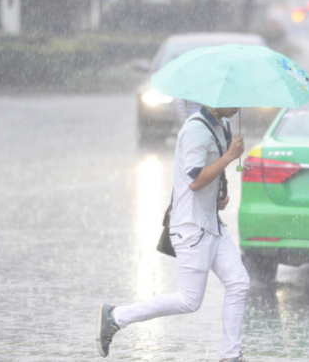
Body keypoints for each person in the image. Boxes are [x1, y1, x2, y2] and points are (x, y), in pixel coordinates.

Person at [96, 105, 250, 362]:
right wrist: (230, 156)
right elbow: (195, 180)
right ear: (215, 98)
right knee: (190, 300)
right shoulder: (194, 130)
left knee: (239, 283)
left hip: (212, 222)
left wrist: (219, 195)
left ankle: (230, 357)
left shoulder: (222, 125)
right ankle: (115, 317)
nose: (238, 106)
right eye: (233, 100)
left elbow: (209, 179)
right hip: (191, 226)